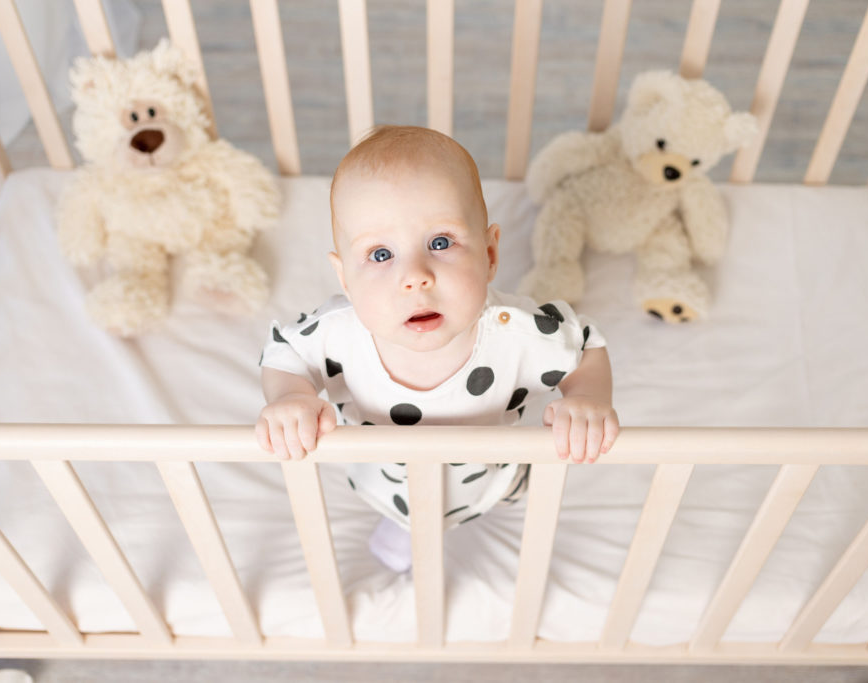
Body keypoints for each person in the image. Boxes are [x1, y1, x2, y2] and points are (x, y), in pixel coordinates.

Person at [255, 125, 619, 571]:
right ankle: (406, 526)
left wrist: (587, 399)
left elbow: (585, 348)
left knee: (512, 488)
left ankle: (497, 501)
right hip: (391, 482)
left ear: (488, 254)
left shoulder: (517, 332)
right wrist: (291, 397)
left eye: (440, 243)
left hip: (494, 473)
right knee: (407, 512)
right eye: (381, 254)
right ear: (345, 278)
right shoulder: (338, 334)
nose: (416, 276)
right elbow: (284, 353)